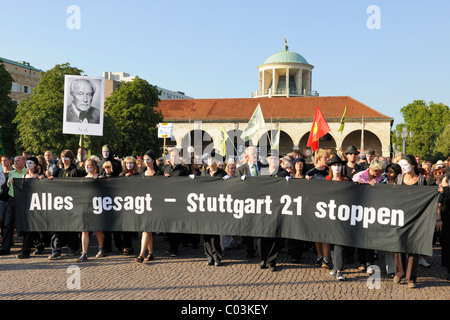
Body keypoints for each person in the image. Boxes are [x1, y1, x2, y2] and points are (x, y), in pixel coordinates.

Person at [393, 155, 426, 288]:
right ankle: (399, 273)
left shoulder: (422, 181)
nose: (402, 167)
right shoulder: (399, 179)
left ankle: (410, 278)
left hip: (416, 219)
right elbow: (393, 196)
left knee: (414, 247)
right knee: (398, 245)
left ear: (412, 165)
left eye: (404, 164)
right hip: (400, 217)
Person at [352, 158, 387, 273]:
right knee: (361, 237)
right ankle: (362, 262)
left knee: (371, 237)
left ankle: (370, 262)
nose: (378, 173)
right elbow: (353, 184)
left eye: (380, 171)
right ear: (371, 168)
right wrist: (366, 185)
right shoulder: (361, 175)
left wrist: (377, 186)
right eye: (376, 171)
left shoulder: (381, 178)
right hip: (360, 209)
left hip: (374, 211)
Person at [48, 150, 81, 260]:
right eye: (63, 157)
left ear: (71, 159)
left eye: (66, 157)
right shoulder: (59, 171)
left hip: (72, 203)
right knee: (57, 227)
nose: (64, 159)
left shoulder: (75, 171)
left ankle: (73, 247)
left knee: (71, 228)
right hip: (60, 203)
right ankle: (56, 250)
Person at [258, 150, 288, 272]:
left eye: (276, 158)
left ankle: (272, 260)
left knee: (275, 236)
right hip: (264, 207)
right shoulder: (262, 172)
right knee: (262, 236)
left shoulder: (283, 173)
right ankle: (263, 258)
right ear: (268, 160)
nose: (273, 160)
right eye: (271, 158)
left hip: (278, 207)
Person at [236, 146, 266, 259]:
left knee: (260, 225)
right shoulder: (241, 169)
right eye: (252, 154)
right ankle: (250, 249)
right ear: (247, 156)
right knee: (247, 226)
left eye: (256, 154)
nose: (255, 156)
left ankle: (261, 247)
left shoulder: (263, 167)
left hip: (261, 201)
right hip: (247, 202)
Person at [135, 150, 164, 263]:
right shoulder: (142, 171)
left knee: (147, 229)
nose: (146, 162)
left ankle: (141, 255)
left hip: (155, 203)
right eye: (145, 160)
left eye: (148, 160)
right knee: (148, 229)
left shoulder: (159, 172)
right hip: (144, 202)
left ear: (153, 160)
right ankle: (150, 252)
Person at [305, 149, 331, 268]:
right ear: (319, 159)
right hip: (315, 205)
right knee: (316, 233)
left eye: (327, 158)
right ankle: (319, 255)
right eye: (325, 158)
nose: (327, 160)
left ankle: (326, 258)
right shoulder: (310, 172)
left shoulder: (328, 171)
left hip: (327, 205)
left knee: (325, 233)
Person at [325, 155, 349, 281]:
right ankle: (335, 266)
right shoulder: (327, 180)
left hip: (343, 215)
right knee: (332, 242)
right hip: (329, 215)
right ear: (330, 168)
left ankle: (339, 269)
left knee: (339, 242)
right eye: (334, 165)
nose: (337, 168)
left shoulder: (346, 180)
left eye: (339, 165)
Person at [201, 152, 227, 266]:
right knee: (206, 233)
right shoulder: (203, 174)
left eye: (211, 159)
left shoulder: (222, 173)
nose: (209, 161)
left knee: (215, 233)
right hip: (205, 205)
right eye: (208, 159)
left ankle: (217, 255)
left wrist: (228, 180)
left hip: (216, 205)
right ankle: (209, 256)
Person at [163, 148, 188, 257]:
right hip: (167, 199)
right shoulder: (165, 168)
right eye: (172, 156)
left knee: (176, 226)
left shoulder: (183, 169)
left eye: (176, 156)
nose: (174, 158)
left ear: (179, 157)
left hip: (178, 199)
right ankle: (171, 246)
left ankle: (175, 249)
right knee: (168, 226)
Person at [78, 158, 105, 262]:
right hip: (85, 207)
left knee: (98, 228)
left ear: (94, 166)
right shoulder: (83, 179)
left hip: (97, 206)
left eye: (90, 165)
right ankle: (84, 252)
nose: (88, 167)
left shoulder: (99, 177)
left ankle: (101, 247)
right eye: (86, 166)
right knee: (84, 230)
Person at [0, 156, 26, 255]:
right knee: (7, 224)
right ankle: (5, 248)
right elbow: (8, 186)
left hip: (23, 201)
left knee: (23, 224)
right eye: (15, 161)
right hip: (12, 200)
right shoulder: (11, 173)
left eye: (18, 161)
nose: (16, 162)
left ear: (24, 162)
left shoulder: (26, 172)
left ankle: (27, 247)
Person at [437, 174, 450, 281]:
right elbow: (438, 205)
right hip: (446, 222)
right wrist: (439, 219)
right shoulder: (445, 191)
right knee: (447, 246)